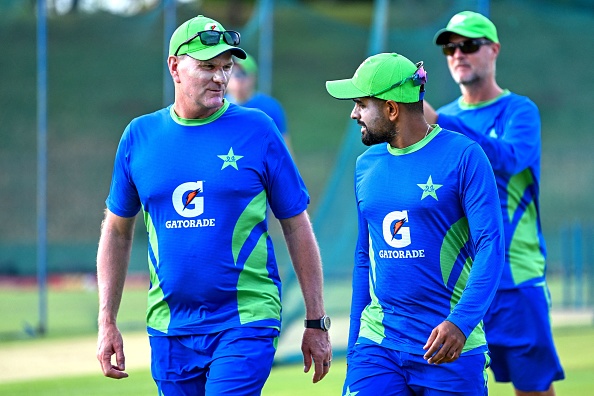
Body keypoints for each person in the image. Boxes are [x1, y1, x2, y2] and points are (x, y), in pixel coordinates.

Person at [95, 14, 332, 395]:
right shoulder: (139, 136)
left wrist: (316, 321)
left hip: (246, 320)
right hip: (170, 327)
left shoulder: (258, 129)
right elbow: (117, 233)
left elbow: (296, 224)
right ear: (175, 67)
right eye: (207, 67)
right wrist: (107, 320)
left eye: (226, 67)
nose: (221, 78)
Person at [325, 52, 504, 395]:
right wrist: (354, 346)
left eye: (362, 103)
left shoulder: (464, 156)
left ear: (392, 109)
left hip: (450, 347)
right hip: (378, 346)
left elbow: (490, 246)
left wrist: (461, 323)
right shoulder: (366, 166)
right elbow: (365, 259)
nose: (354, 113)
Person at [427, 11, 565, 395]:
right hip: (460, 285)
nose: (458, 54)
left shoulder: (519, 111)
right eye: (450, 48)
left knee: (532, 388)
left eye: (469, 45)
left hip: (514, 278)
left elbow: (508, 159)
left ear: (494, 50)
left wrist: (441, 123)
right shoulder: (445, 117)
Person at [226, 53, 292, 152]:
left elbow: (284, 147)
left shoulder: (269, 107)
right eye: (232, 73)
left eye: (242, 73)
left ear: (253, 77)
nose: (237, 79)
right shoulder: (215, 106)